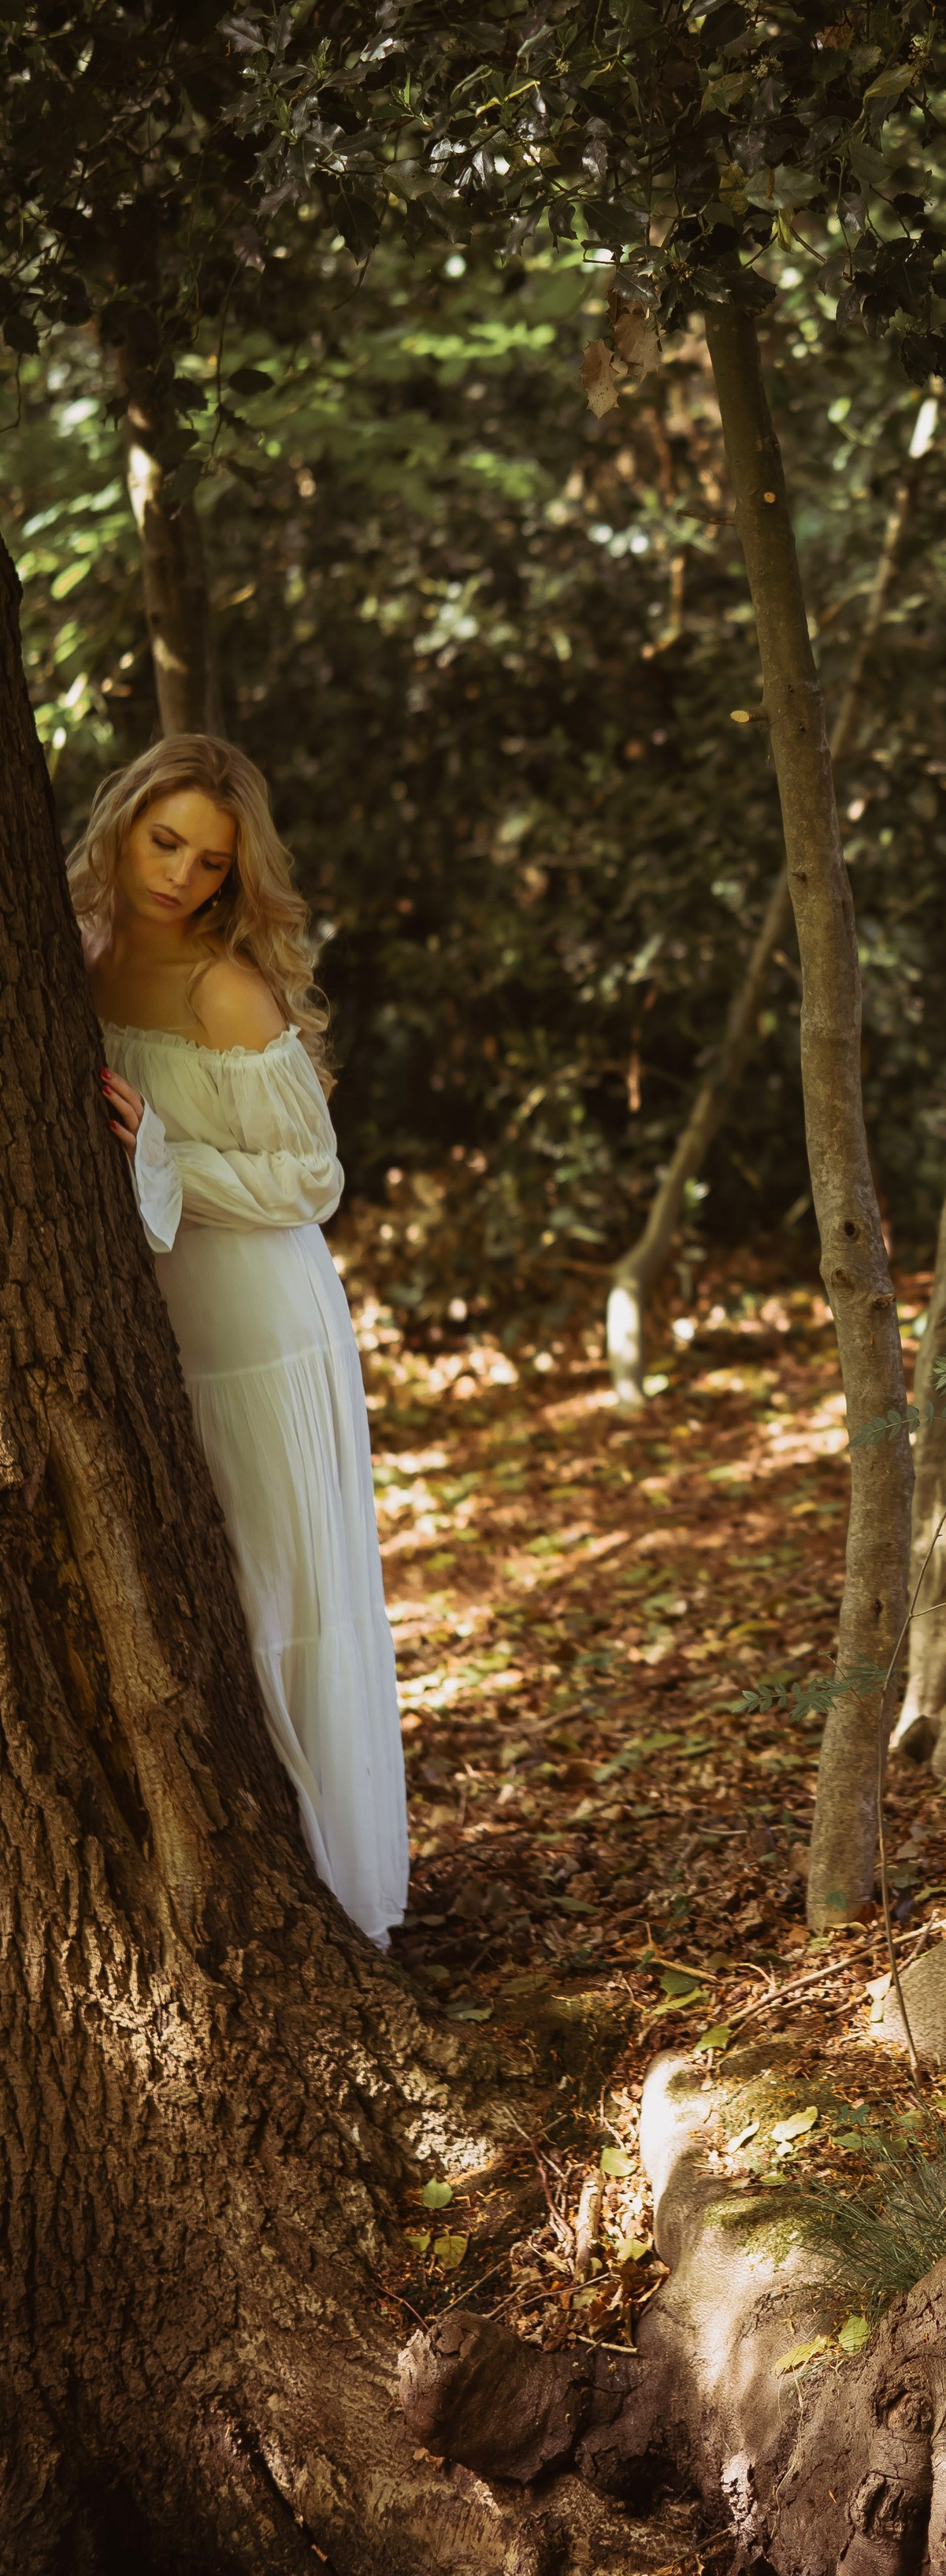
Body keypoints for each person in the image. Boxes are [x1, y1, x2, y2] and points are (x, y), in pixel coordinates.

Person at [77, 735, 408, 1950]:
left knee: (277, 1584)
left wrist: (162, 1150)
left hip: (263, 1318)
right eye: (165, 841)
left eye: (210, 862)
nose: (180, 876)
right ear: (121, 822)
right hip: (155, 1318)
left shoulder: (225, 987)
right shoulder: (73, 953)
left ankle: (321, 1890)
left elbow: (312, 1176)